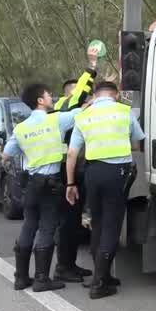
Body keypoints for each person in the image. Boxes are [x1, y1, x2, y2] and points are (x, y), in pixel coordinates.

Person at [66, 81, 145, 299]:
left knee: (98, 224)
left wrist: (71, 184)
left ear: (95, 95)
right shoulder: (124, 111)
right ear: (116, 95)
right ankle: (100, 283)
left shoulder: (83, 116)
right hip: (117, 174)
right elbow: (138, 144)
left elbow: (72, 154)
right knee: (112, 225)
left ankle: (103, 275)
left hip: (92, 173)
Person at [2, 83, 77, 293]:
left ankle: (21, 278)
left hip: (31, 184)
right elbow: (82, 112)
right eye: (48, 95)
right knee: (47, 228)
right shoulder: (56, 120)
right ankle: (42, 279)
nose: (52, 97)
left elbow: (6, 155)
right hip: (50, 183)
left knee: (29, 225)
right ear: (40, 101)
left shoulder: (21, 128)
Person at [51, 43, 104, 283]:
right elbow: (82, 91)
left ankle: (69, 264)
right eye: (81, 93)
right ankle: (64, 267)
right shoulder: (66, 106)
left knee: (71, 222)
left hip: (69, 169)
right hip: (65, 171)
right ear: (69, 93)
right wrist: (91, 66)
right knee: (69, 222)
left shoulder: (65, 108)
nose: (87, 98)